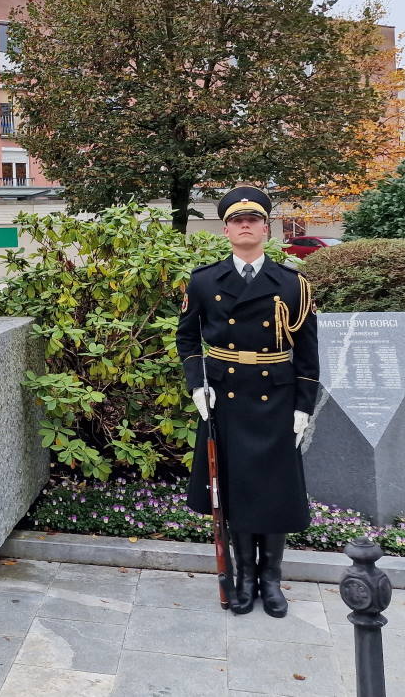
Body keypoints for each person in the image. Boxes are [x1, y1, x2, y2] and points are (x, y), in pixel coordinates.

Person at [177, 187, 319, 617]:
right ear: (225, 230)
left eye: (253, 220)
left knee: (275, 489)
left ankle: (271, 580)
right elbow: (187, 337)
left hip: (275, 398)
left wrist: (303, 406)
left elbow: (308, 350)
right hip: (227, 399)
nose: (245, 226)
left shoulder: (293, 283)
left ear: (265, 227)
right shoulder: (204, 281)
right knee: (234, 489)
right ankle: (243, 579)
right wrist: (198, 383)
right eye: (237, 221)